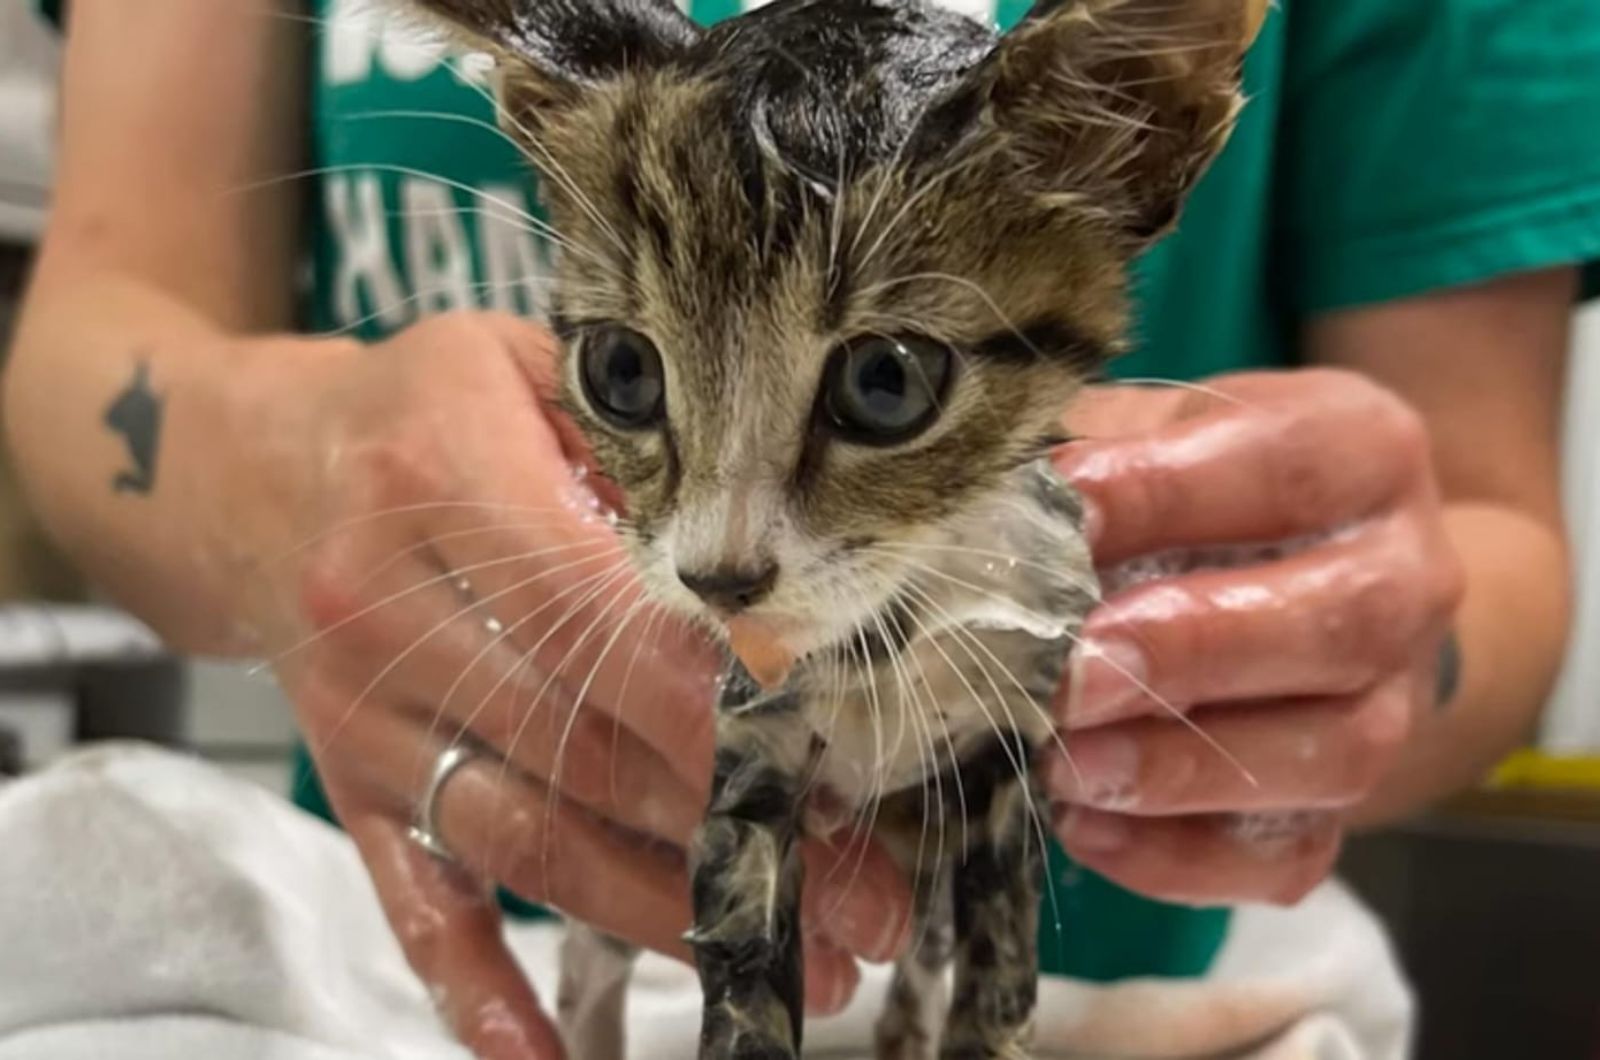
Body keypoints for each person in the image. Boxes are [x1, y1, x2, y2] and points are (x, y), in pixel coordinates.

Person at [5, 0, 1596, 1056]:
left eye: (885, 383)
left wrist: (1357, 639)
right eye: (623, 374)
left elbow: (1492, 543)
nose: (721, 558)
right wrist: (272, 469)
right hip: (399, 953)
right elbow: (101, 326)